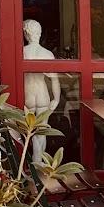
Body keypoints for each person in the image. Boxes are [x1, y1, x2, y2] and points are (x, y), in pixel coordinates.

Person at [23, 18, 61, 163]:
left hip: (28, 94)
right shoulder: (47, 53)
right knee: (41, 133)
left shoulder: (22, 52)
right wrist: (56, 99)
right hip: (42, 94)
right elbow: (54, 79)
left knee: (27, 133)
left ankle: (34, 164)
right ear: (39, 33)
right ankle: (38, 164)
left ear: (26, 34)